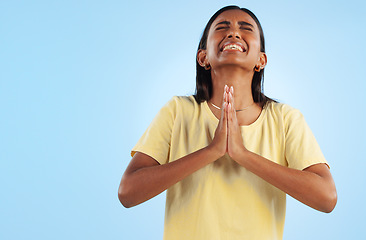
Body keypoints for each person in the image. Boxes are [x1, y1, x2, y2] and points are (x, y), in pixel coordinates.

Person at [118, 5, 337, 240]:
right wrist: (211, 151)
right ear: (203, 57)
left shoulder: (285, 119)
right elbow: (128, 192)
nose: (233, 33)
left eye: (246, 28)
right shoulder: (178, 111)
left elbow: (326, 197)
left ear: (261, 60)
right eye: (222, 28)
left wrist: (243, 155)